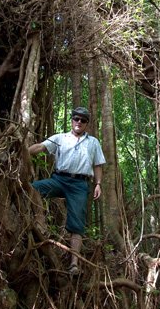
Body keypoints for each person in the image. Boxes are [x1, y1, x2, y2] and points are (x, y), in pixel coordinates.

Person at [28, 106, 106, 275]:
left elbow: (98, 164)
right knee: (33, 189)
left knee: (77, 224)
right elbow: (41, 147)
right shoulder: (60, 138)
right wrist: (22, 151)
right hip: (59, 180)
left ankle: (74, 263)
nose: (79, 122)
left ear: (87, 124)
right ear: (71, 120)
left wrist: (98, 184)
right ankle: (38, 222)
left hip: (80, 184)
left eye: (83, 120)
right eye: (76, 118)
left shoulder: (93, 142)